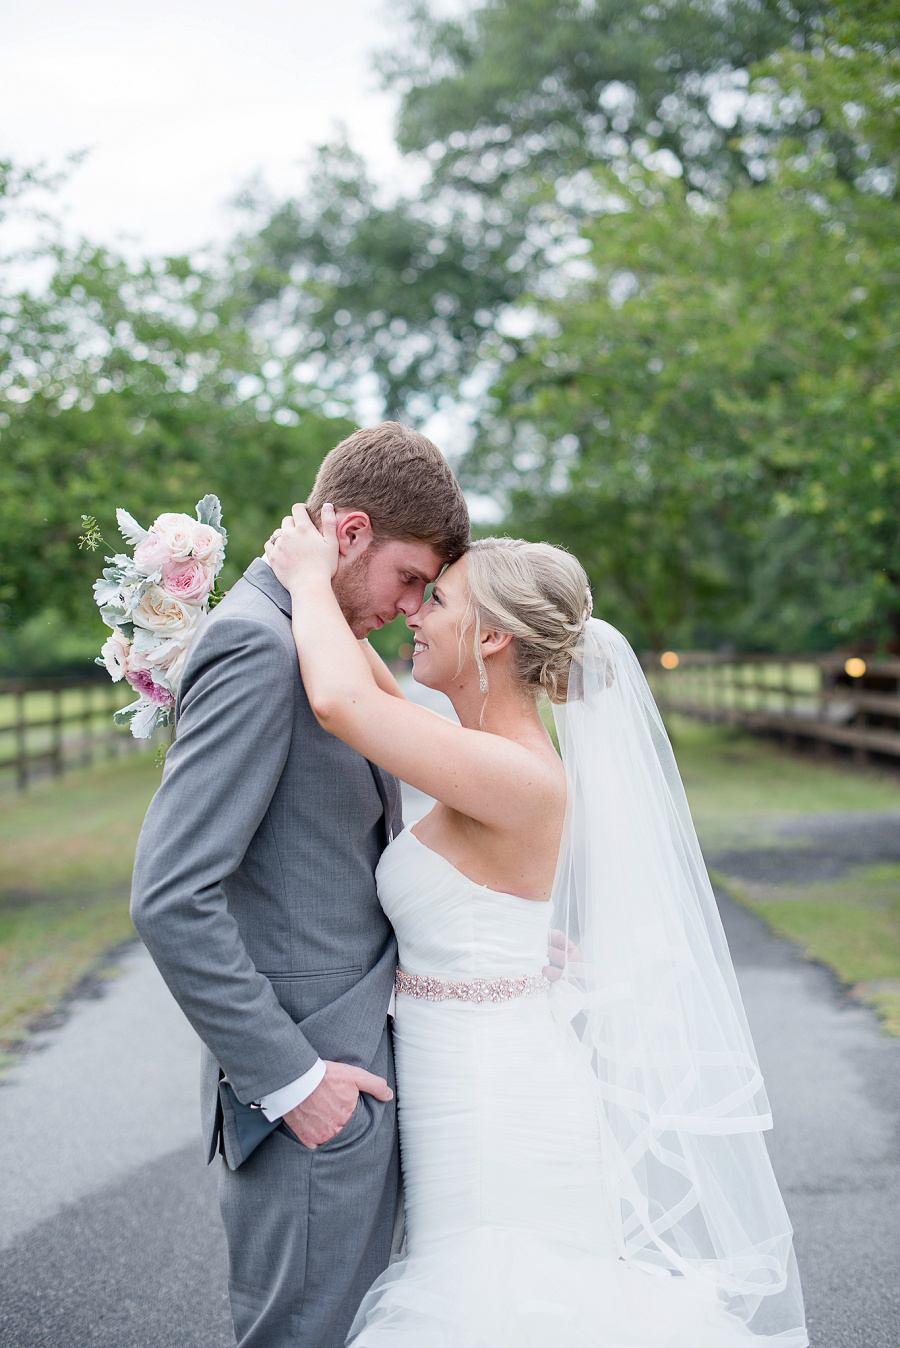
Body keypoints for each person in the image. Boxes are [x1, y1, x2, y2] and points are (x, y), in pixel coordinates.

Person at [265, 505, 809, 1347]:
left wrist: (302, 575)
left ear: (490, 639)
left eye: (437, 600)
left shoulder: (518, 776)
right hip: (467, 1080)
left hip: (498, 1105)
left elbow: (340, 700)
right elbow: (366, 684)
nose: (414, 612)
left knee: (502, 1305)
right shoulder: (471, 746)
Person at [130, 423, 470, 1348]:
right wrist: (291, 1082)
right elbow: (171, 894)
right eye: (410, 577)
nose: (410, 607)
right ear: (350, 533)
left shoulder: (311, 638)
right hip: (314, 1097)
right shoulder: (256, 646)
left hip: (359, 1075)